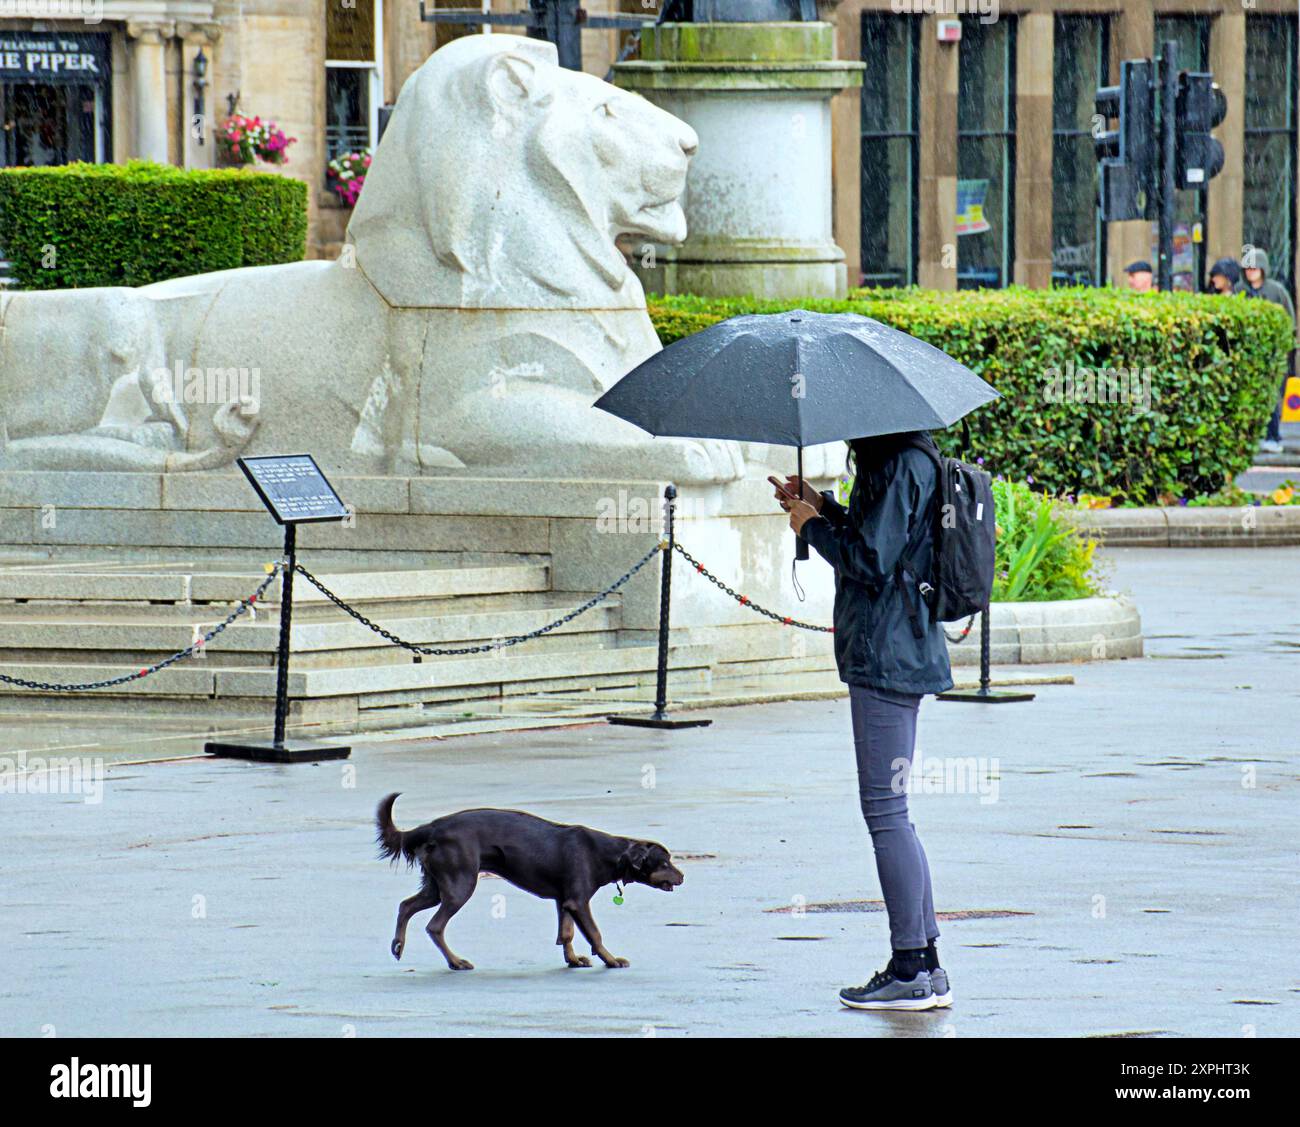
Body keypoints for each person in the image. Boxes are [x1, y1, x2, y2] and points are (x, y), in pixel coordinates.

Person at [771, 431, 954, 1012]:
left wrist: (811, 529)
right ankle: (925, 965)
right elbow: (884, 538)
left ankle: (909, 970)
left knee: (886, 813)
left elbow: (871, 559)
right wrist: (824, 506)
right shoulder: (903, 460)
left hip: (887, 656)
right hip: (896, 649)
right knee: (895, 812)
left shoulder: (900, 463)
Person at [1237, 248, 1296, 454]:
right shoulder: (1239, 291)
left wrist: (1287, 347)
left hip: (1273, 354)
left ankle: (1272, 435)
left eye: (1255, 268)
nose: (1251, 272)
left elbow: (1289, 320)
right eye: (1248, 268)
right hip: (1248, 355)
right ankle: (1252, 437)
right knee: (1249, 397)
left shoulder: (1276, 291)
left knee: (1272, 396)